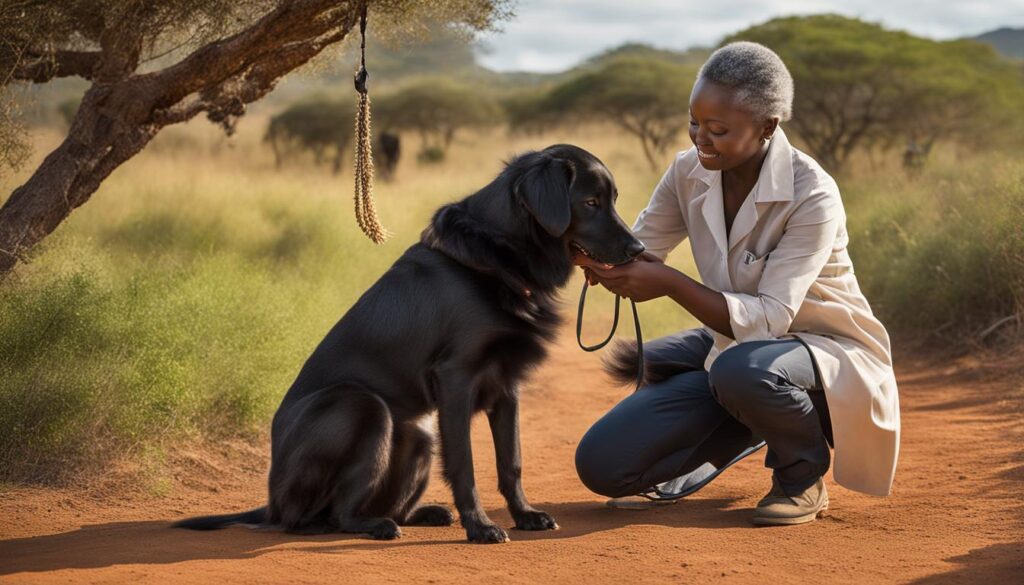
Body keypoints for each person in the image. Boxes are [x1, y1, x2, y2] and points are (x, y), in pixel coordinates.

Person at [572, 41, 900, 526]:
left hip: (822, 350)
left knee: (742, 372)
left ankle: (800, 477)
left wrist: (665, 281)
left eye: (718, 129)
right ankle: (757, 418)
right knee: (602, 466)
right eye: (694, 122)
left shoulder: (813, 193)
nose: (700, 139)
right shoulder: (688, 171)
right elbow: (636, 249)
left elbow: (769, 319)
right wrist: (571, 245)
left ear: (767, 127)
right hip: (739, 351)